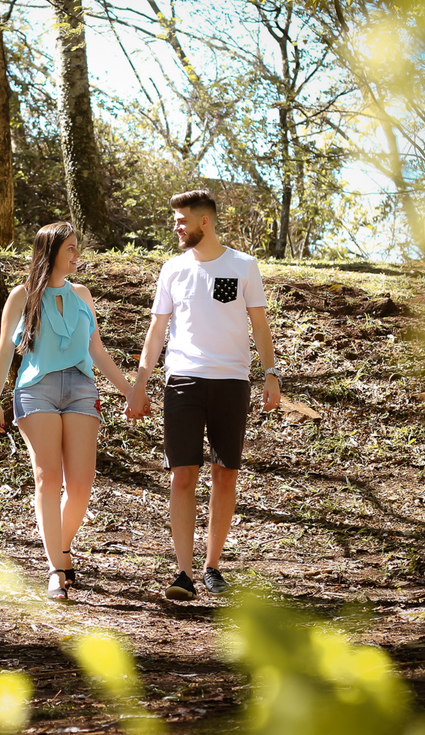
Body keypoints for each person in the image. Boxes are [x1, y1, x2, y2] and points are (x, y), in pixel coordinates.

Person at [125, 190, 282, 601]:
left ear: (204, 222)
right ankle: (183, 573)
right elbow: (157, 330)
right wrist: (140, 382)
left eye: (181, 221)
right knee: (182, 475)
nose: (176, 227)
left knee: (225, 474)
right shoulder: (173, 269)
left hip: (232, 381)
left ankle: (212, 567)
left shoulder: (243, 265)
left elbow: (260, 326)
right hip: (183, 381)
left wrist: (270, 374)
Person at [0, 222, 132, 602]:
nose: (76, 254)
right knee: (48, 478)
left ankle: (61, 547)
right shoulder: (21, 296)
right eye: (70, 247)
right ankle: (56, 569)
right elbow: (4, 350)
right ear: (50, 251)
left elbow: (97, 350)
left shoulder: (82, 294)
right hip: (37, 390)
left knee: (81, 486)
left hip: (82, 390)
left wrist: (130, 390)